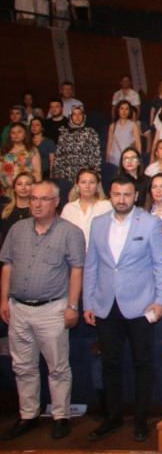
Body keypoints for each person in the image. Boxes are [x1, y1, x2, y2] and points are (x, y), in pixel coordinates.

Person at [83, 176, 162, 442]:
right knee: (110, 362)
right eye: (116, 194)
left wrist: (161, 300)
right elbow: (92, 266)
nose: (121, 199)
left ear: (135, 196)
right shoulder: (98, 224)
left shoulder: (151, 223)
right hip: (106, 305)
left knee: (142, 362)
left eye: (127, 194)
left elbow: (161, 264)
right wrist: (88, 302)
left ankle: (142, 418)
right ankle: (113, 416)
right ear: (109, 195)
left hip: (141, 304)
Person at [0, 180, 86, 441]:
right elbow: (7, 266)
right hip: (18, 309)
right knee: (22, 366)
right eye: (34, 199)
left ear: (56, 202)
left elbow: (77, 270)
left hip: (53, 308)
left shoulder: (70, 232)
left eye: (43, 199)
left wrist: (72, 306)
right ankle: (28, 415)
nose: (37, 203)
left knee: (57, 367)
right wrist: (3, 301)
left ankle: (60, 416)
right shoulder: (17, 229)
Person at [60, 168, 112, 247]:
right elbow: (62, 235)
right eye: (83, 182)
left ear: (97, 186)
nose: (87, 186)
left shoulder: (107, 206)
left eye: (92, 182)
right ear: (77, 185)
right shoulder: (69, 208)